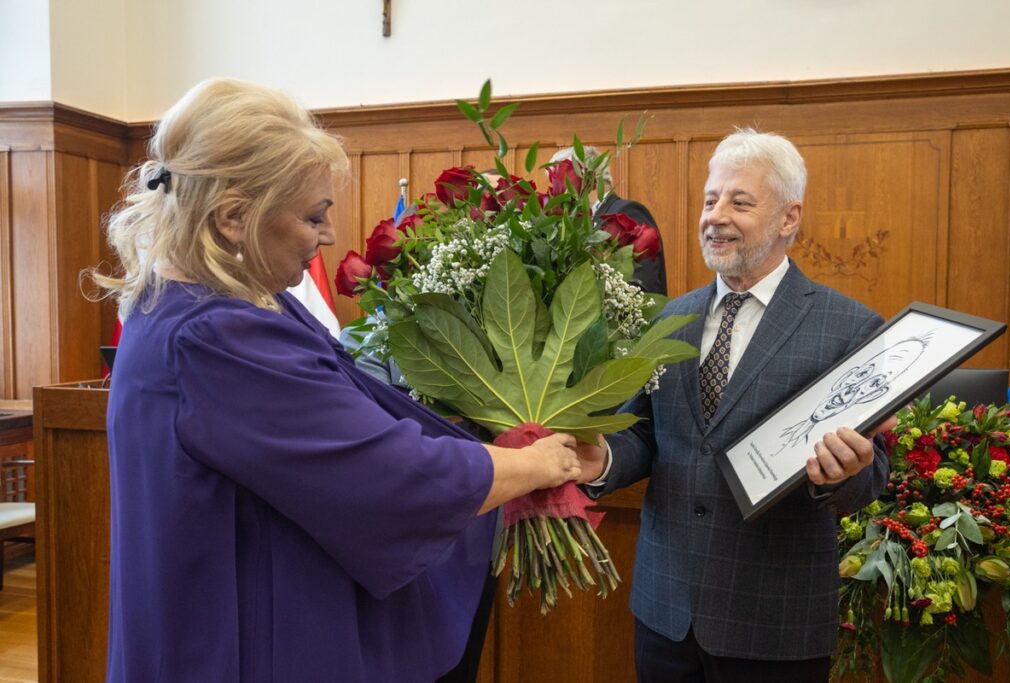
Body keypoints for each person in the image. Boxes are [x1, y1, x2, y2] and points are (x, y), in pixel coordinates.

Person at [91, 78, 596, 683]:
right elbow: (387, 477)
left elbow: (339, 409)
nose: (329, 237)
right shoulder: (218, 335)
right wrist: (538, 467)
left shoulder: (206, 303)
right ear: (233, 217)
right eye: (313, 217)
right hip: (242, 644)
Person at [581, 128, 892, 682]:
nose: (715, 216)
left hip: (773, 624)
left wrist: (850, 471)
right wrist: (600, 459)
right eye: (709, 199)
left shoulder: (850, 328)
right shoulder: (665, 317)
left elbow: (873, 476)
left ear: (788, 218)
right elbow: (646, 435)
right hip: (665, 613)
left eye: (739, 201)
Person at [550, 145, 667, 294]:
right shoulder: (581, 223)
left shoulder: (627, 213)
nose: (555, 192)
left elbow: (642, 287)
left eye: (558, 182)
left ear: (584, 177)